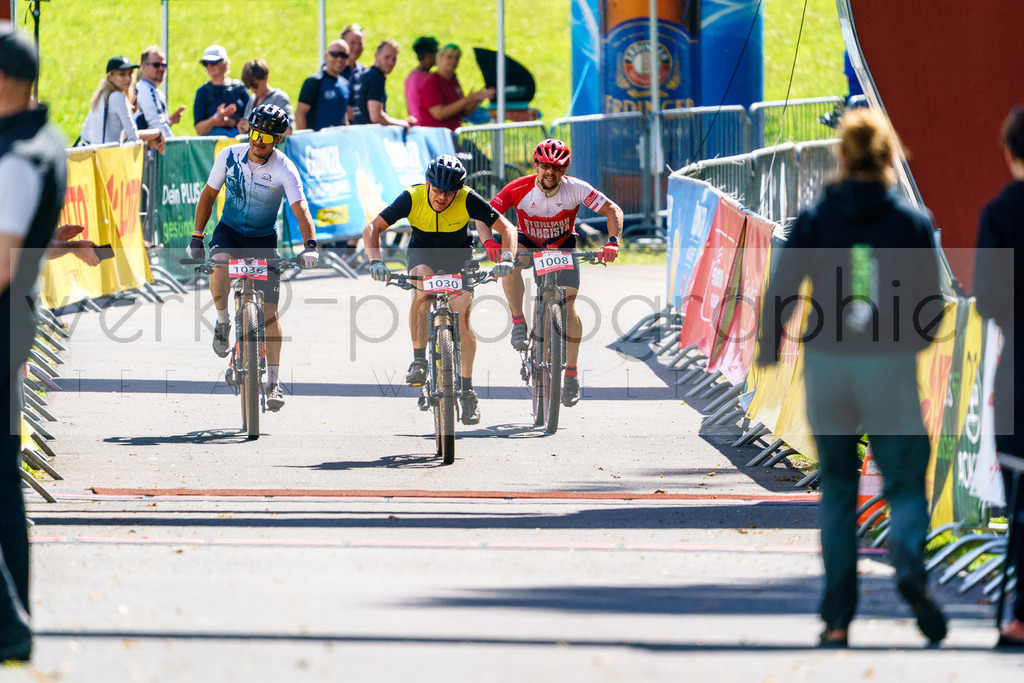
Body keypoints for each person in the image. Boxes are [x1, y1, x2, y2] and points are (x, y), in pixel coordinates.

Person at [756, 108, 946, 647]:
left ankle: (837, 620)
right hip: (888, 365)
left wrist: (768, 347)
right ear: (889, 159)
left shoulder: (816, 218)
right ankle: (906, 556)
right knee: (904, 481)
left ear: (840, 155)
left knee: (838, 489)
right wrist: (910, 343)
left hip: (829, 367)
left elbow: (782, 289)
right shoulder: (911, 222)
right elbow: (931, 306)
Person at [0, 22, 68, 663]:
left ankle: (9, 620)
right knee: (2, 484)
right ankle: (12, 619)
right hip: (14, 324)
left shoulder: (19, 157)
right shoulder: (40, 141)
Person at [363, 154, 518, 424]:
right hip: (422, 253)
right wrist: (375, 260)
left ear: (458, 190)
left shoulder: (467, 198)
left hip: (458, 256)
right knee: (423, 290)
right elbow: (372, 228)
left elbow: (508, 229)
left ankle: (467, 391)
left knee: (462, 316)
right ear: (427, 184)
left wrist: (507, 258)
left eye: (449, 192)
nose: (442, 197)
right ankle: (419, 360)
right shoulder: (411, 197)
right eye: (437, 190)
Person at [187, 104, 319, 410]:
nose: (259, 141)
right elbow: (208, 195)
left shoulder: (284, 168)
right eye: (255, 134)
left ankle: (273, 383)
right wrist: (197, 237)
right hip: (229, 233)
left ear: (277, 140)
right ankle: (223, 322)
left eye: (267, 137)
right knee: (219, 264)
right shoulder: (229, 156)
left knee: (270, 313)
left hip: (262, 240)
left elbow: (300, 208)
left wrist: (310, 245)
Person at [478, 138, 622, 407]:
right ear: (536, 165)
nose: (550, 172)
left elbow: (612, 209)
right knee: (510, 261)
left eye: (557, 168)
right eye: (545, 166)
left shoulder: (576, 188)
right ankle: (519, 322)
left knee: (568, 306)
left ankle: (572, 374)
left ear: (564, 170)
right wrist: (489, 243)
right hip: (527, 242)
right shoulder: (518, 188)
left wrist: (613, 242)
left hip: (562, 245)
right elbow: (483, 215)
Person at [973, 105, 1024, 649]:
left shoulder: (1001, 213)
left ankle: (1023, 614)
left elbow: (986, 298)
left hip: (1019, 373)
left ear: (1010, 153)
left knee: (1020, 499)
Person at [80, 56, 165, 152]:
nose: (128, 78)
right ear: (110, 77)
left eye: (130, 73)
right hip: (112, 156)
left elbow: (85, 134)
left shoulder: (100, 96)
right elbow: (133, 136)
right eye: (122, 74)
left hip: (96, 155)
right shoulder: (118, 97)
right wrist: (158, 132)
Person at [418, 43, 494, 131]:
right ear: (439, 59)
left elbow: (463, 112)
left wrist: (475, 100)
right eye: (449, 57)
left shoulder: (453, 81)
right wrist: (467, 100)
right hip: (435, 134)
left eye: (456, 58)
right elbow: (439, 114)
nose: (453, 61)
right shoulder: (431, 82)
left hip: (452, 134)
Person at [352, 39, 414, 129]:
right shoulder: (375, 77)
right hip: (369, 133)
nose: (391, 62)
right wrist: (402, 124)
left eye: (394, 59)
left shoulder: (365, 75)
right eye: (387, 57)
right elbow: (376, 117)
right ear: (376, 55)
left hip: (358, 130)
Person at [193, 45, 250, 137]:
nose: (209, 66)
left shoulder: (239, 88)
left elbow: (251, 117)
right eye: (205, 63)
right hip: (213, 143)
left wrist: (234, 122)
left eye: (213, 62)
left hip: (239, 140)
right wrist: (215, 120)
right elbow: (199, 129)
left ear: (225, 63)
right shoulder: (202, 92)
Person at [295, 39, 351, 131]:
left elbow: (344, 114)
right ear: (326, 56)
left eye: (344, 55)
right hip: (317, 138)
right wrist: (304, 137)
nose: (339, 59)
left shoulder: (345, 84)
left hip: (338, 138)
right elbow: (300, 113)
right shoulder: (314, 81)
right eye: (335, 54)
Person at [134, 45, 185, 138]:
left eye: (164, 65)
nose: (161, 69)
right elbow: (156, 124)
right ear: (143, 66)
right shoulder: (146, 90)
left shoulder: (153, 90)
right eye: (156, 65)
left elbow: (154, 127)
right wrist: (173, 143)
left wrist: (170, 122)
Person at [237, 59, 294, 136]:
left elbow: (288, 131)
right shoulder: (253, 99)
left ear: (265, 78)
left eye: (255, 85)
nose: (252, 89)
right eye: (248, 86)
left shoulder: (279, 98)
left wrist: (258, 124)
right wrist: (243, 130)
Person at [404, 36, 438, 124]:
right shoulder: (428, 78)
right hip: (426, 125)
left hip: (415, 124)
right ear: (427, 56)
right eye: (435, 52)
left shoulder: (411, 76)